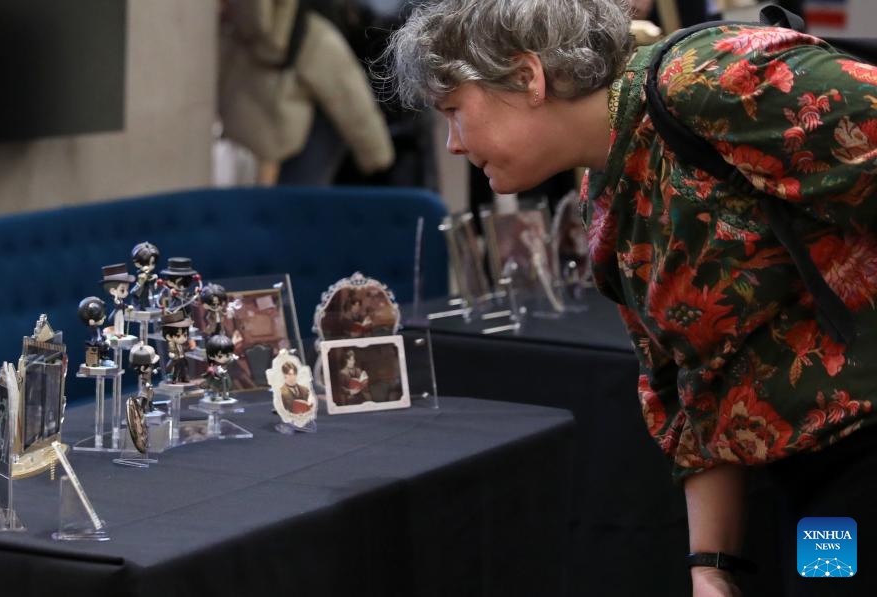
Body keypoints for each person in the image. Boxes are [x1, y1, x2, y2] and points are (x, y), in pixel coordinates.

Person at [385, 1, 877, 596]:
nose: (453, 143)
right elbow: (689, 384)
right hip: (815, 478)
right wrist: (711, 570)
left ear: (526, 76)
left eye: (454, 110)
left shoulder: (714, 82)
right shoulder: (610, 195)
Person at [218, 0, 394, 185]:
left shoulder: (233, 22)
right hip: (281, 145)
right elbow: (349, 97)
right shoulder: (314, 35)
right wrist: (377, 156)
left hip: (230, 131)